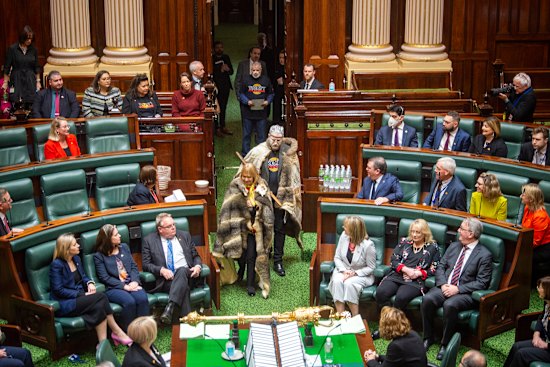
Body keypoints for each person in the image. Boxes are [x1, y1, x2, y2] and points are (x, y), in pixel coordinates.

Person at [422, 218, 492, 361]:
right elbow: (441, 266)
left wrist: (458, 289)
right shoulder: (454, 246)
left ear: (471, 233)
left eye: (462, 229)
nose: (458, 231)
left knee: (450, 305)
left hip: (465, 293)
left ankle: (445, 344)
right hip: (445, 285)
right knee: (427, 299)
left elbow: (482, 283)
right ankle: (428, 337)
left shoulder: (484, 255)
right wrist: (442, 284)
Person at [49, 234, 132, 346]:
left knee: (99, 306)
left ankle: (102, 345)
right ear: (66, 249)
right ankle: (117, 331)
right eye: (75, 244)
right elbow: (58, 290)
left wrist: (90, 283)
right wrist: (82, 294)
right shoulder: (57, 265)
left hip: (80, 297)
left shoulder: (76, 259)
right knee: (101, 296)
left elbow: (83, 277)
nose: (79, 245)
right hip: (65, 303)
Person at [242, 125, 303, 277]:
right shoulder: (259, 151)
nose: (275, 142)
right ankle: (264, 258)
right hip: (263, 199)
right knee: (263, 228)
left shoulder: (289, 153)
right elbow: (247, 174)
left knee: (280, 229)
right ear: (268, 135)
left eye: (278, 139)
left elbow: (295, 176)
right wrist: (258, 187)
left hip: (282, 199)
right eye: (273, 138)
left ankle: (278, 261)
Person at [213, 163, 273, 297]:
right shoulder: (234, 187)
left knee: (252, 256)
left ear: (254, 177)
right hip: (238, 228)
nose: (246, 180)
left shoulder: (262, 188)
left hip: (254, 230)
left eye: (249, 177)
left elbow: (268, 208)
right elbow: (227, 207)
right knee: (241, 255)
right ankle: (241, 270)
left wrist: (256, 206)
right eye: (244, 177)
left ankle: (250, 284)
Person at [141, 213, 202, 324]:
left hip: (188, 275)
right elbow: (146, 264)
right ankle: (187, 324)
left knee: (182, 270)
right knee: (184, 289)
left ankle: (170, 307)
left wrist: (197, 266)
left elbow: (195, 256)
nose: (173, 227)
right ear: (160, 229)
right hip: (167, 281)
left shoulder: (184, 235)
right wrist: (161, 270)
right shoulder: (149, 241)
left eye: (174, 224)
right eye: (169, 226)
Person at [93, 224, 150, 331]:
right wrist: (124, 286)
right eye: (116, 234)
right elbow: (104, 277)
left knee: (142, 298)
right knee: (129, 302)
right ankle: (127, 331)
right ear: (108, 239)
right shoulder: (99, 256)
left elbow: (133, 266)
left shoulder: (124, 247)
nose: (120, 236)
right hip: (113, 288)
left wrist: (135, 281)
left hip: (131, 283)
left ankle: (144, 330)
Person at [375, 219, 440, 310]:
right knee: (381, 292)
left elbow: (435, 268)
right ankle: (388, 320)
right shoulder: (404, 242)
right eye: (412, 231)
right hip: (397, 275)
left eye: (418, 232)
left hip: (415, 281)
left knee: (401, 298)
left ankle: (397, 322)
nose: (414, 235)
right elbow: (394, 260)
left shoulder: (432, 247)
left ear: (425, 233)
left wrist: (418, 273)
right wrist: (406, 270)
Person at [328, 216, 376, 316]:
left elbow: (371, 268)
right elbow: (337, 257)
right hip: (343, 270)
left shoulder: (368, 245)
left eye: (345, 226)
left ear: (354, 230)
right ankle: (340, 316)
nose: (343, 228)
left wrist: (354, 273)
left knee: (349, 284)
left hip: (361, 275)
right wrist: (344, 270)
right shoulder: (343, 236)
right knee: (337, 281)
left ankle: (355, 319)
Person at [503, 276, 550, 367]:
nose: (537, 289)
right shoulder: (547, 303)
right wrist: (536, 334)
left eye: (540, 287)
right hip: (546, 340)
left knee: (522, 354)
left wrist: (546, 345)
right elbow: (541, 318)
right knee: (516, 346)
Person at [239, 61, 274, 156]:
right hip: (248, 113)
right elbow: (240, 93)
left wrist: (267, 101)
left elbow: (271, 93)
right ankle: (245, 154)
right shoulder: (245, 80)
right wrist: (247, 101)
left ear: (261, 70)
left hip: (261, 114)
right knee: (246, 135)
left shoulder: (266, 80)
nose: (255, 72)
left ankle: (261, 154)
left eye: (257, 70)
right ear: (251, 70)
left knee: (261, 136)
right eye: (253, 70)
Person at [3, 25, 40, 107]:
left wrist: (38, 81)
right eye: (27, 38)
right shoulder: (12, 49)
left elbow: (37, 66)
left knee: (31, 101)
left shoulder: (34, 49)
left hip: (30, 78)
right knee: (17, 102)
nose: (29, 41)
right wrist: (5, 83)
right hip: (16, 78)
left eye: (31, 38)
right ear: (22, 37)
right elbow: (7, 67)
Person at [520, 184, 550, 281]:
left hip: (543, 248)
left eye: (524, 194)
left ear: (531, 199)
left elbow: (535, 242)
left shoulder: (540, 216)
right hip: (528, 242)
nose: (521, 196)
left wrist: (519, 246)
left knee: (521, 256)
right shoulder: (527, 208)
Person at [212, 41, 234, 136]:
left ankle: (223, 126)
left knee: (224, 107)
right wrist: (219, 70)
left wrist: (227, 69)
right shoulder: (211, 58)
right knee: (217, 107)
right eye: (217, 47)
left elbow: (231, 71)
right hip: (216, 86)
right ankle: (216, 128)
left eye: (221, 47)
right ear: (214, 49)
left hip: (225, 86)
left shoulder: (226, 57)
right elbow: (211, 73)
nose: (219, 49)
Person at [272, 50, 286, 125]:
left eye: (283, 58)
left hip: (286, 89)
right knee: (277, 104)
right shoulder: (276, 67)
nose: (281, 59)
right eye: (280, 57)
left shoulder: (288, 68)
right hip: (277, 90)